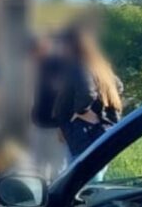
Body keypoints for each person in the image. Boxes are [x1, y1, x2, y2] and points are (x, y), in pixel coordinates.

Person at [52, 26, 123, 158]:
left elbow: (87, 93)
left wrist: (79, 113)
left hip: (84, 134)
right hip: (103, 131)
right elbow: (118, 86)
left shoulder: (78, 66)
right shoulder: (99, 65)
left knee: (80, 175)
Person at [31, 34, 71, 180]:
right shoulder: (41, 65)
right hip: (39, 123)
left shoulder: (60, 65)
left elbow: (65, 99)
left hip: (56, 127)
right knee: (38, 166)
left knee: (58, 169)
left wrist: (62, 124)